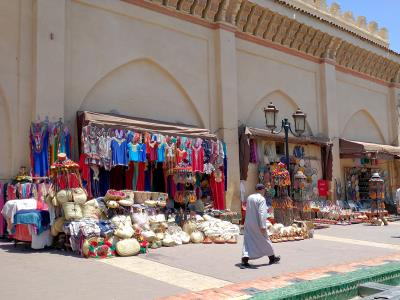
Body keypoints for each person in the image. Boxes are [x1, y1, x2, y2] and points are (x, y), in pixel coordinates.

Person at [241, 183, 280, 269]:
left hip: (248, 223)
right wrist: (263, 225)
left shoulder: (250, 197)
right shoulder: (261, 199)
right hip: (258, 224)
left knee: (248, 241)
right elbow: (262, 213)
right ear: (262, 190)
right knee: (265, 240)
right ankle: (272, 257)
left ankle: (245, 259)